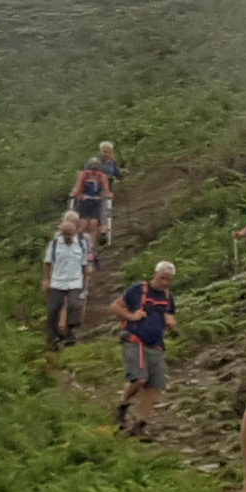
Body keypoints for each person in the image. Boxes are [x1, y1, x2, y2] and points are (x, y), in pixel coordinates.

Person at [110, 261, 176, 435]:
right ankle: (122, 405)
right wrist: (131, 316)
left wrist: (171, 321)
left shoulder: (168, 296)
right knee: (139, 379)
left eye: (169, 279)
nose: (166, 282)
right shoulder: (138, 289)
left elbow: (169, 314)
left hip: (156, 343)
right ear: (155, 275)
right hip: (134, 338)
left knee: (153, 386)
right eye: (163, 278)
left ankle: (140, 424)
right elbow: (115, 306)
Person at [41, 214, 93, 348]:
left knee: (74, 305)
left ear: (74, 232)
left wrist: (84, 280)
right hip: (57, 281)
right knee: (53, 308)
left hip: (75, 281)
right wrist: (46, 279)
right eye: (65, 234)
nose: (68, 236)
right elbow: (47, 263)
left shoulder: (81, 244)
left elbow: (84, 264)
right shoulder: (54, 244)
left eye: (70, 234)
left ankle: (70, 333)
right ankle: (53, 337)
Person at [89, 142, 124, 243]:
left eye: (108, 152)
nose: (106, 154)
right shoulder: (95, 162)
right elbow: (86, 173)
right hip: (93, 189)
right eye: (104, 152)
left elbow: (118, 174)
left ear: (111, 152)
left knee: (105, 208)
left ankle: (103, 230)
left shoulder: (113, 163)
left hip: (107, 189)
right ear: (101, 151)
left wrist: (122, 174)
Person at [70, 159, 112, 243]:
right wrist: (74, 193)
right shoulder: (84, 175)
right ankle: (81, 243)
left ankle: (91, 246)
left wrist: (108, 194)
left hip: (96, 203)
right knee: (83, 224)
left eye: (96, 169)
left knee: (93, 224)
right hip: (84, 202)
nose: (94, 171)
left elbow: (106, 189)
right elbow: (77, 187)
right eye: (93, 169)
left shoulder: (102, 176)